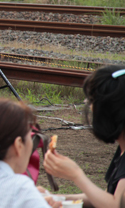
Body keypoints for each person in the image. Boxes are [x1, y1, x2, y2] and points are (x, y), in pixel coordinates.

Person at [43, 65, 125, 208]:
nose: (90, 107)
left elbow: (116, 205)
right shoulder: (122, 148)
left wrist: (76, 175)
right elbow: (107, 198)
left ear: (111, 110)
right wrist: (56, 198)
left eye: (92, 101)